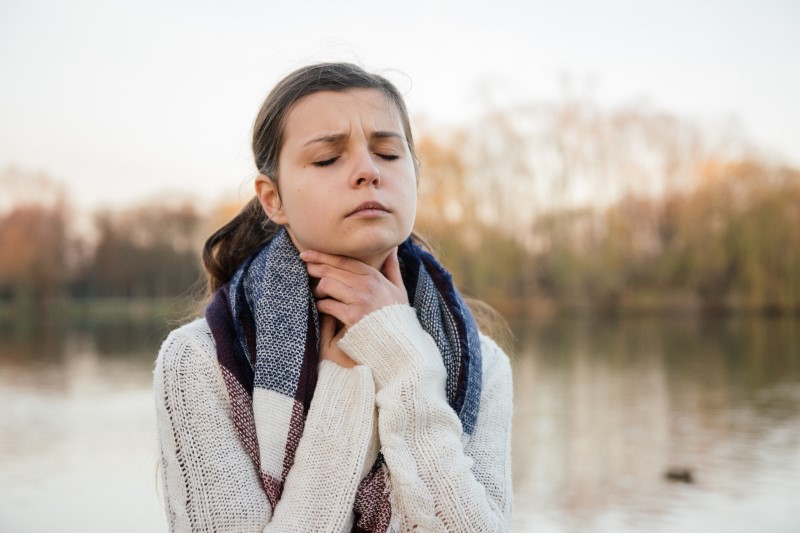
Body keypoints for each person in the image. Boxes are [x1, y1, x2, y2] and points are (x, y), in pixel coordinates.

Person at [153, 62, 513, 532]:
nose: (367, 171)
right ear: (272, 198)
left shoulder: (481, 363)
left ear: (415, 177)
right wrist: (343, 386)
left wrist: (405, 362)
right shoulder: (200, 362)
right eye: (327, 159)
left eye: (388, 153)